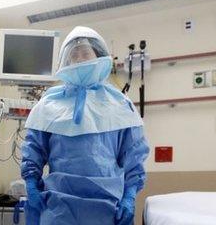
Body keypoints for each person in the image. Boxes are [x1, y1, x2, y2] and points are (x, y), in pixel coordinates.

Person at [21, 26, 150, 225]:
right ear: (67, 61)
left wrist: (129, 196)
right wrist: (31, 183)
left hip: (107, 205)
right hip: (59, 206)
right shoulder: (48, 104)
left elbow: (134, 155)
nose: (80, 59)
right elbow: (33, 149)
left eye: (86, 53)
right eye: (75, 55)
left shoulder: (119, 104)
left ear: (98, 57)